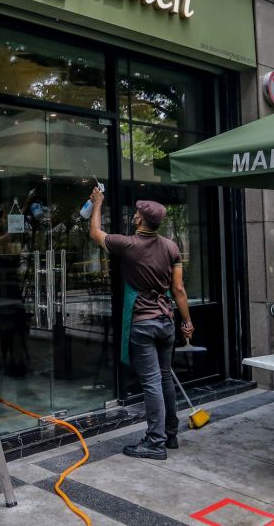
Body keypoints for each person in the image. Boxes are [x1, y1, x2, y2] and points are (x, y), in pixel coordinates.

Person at [88, 188, 193, 460]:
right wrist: (187, 321)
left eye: (136, 214)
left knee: (152, 382)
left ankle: (155, 442)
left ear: (140, 220)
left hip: (143, 324)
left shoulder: (129, 245)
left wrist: (98, 203)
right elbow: (178, 289)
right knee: (165, 376)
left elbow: (96, 233)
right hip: (167, 321)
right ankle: (170, 434)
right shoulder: (171, 247)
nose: (134, 216)